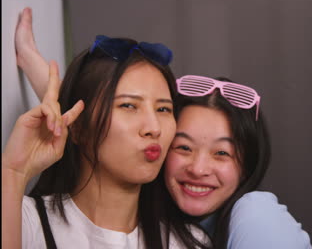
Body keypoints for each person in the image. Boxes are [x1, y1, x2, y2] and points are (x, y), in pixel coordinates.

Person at [15, 7, 312, 248]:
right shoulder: (28, 220)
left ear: (247, 165)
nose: (198, 168)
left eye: (222, 153)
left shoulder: (252, 218)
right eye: (183, 147)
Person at [4, 14, 209, 248]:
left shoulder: (188, 243)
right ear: (79, 128)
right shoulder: (25, 223)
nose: (154, 129)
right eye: (129, 105)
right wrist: (14, 171)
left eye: (163, 108)